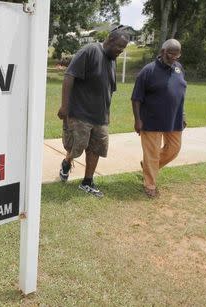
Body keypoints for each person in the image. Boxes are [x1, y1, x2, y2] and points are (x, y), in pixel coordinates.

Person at [57, 27, 129, 197]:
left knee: (96, 149)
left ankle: (87, 182)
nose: (121, 51)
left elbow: (109, 89)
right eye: (119, 47)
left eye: (123, 48)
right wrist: (65, 106)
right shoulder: (89, 51)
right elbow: (69, 76)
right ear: (110, 40)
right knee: (76, 147)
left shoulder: (112, 59)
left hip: (101, 116)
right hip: (81, 112)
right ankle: (67, 162)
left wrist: (107, 112)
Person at [131, 39, 187, 198]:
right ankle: (150, 184)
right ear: (162, 51)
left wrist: (182, 114)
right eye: (171, 54)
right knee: (152, 152)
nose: (174, 58)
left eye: (178, 55)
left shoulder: (178, 68)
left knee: (174, 149)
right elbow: (136, 98)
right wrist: (137, 120)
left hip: (174, 118)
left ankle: (148, 165)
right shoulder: (148, 71)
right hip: (151, 119)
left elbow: (181, 93)